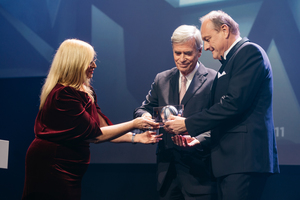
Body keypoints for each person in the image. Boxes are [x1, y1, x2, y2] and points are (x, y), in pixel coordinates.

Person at [22, 39, 160, 200]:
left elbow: (103, 128)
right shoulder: (63, 95)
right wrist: (134, 124)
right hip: (53, 164)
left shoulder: (86, 91)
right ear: (76, 63)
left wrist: (137, 137)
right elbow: (95, 136)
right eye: (90, 61)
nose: (94, 65)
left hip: (70, 167)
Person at [165, 10, 280, 200]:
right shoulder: (230, 61)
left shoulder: (249, 53)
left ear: (225, 30)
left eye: (208, 39)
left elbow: (234, 104)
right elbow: (227, 115)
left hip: (244, 161)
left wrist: (187, 124)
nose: (207, 47)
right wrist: (201, 139)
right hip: (231, 163)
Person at [134, 25, 217, 200]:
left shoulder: (213, 79)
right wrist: (146, 117)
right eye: (177, 53)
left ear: (200, 51)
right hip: (167, 171)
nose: (181, 59)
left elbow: (219, 121)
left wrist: (198, 139)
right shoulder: (161, 79)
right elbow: (142, 109)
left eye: (187, 53)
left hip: (200, 171)